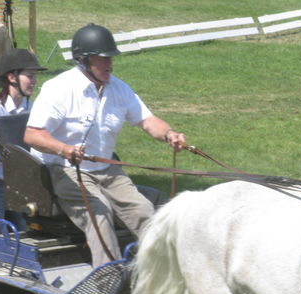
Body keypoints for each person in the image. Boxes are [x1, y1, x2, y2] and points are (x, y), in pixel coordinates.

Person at [24, 23, 186, 267]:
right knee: (98, 214)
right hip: (64, 169)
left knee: (143, 211)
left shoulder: (119, 89)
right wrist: (65, 149)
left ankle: (161, 272)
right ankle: (107, 276)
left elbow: (148, 121)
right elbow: (32, 135)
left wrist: (170, 134)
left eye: (110, 58)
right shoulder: (59, 88)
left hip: (108, 169)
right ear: (83, 59)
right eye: (103, 59)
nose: (109, 63)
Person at [0, 48, 47, 227]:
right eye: (30, 76)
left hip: (21, 184)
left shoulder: (34, 109)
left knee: (25, 233)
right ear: (11, 77)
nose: (34, 81)